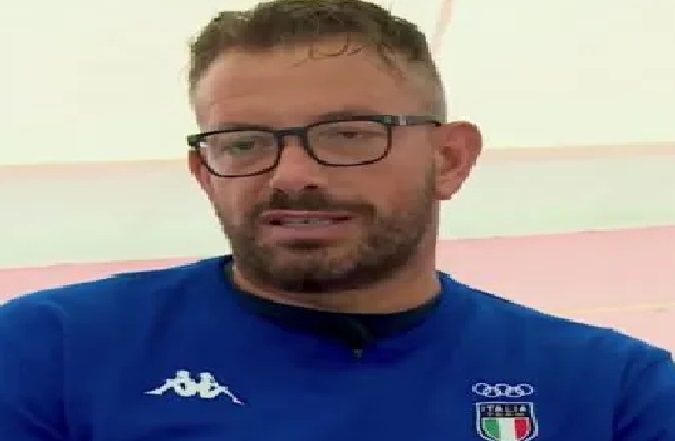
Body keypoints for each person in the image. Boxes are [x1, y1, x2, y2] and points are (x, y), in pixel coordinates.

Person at [1, 0, 673, 439]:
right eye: (243, 142)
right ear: (205, 173)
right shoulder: (48, 351)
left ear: (448, 159)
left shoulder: (616, 392)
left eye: (349, 134)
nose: (291, 174)